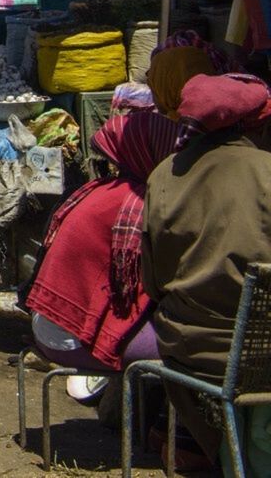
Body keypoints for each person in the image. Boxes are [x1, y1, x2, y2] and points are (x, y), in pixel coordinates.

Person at [142, 72, 271, 466]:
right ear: (251, 123)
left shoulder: (164, 175)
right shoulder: (267, 169)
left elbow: (155, 282)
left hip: (196, 350)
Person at [24, 111, 186, 373]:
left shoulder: (99, 189)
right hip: (70, 339)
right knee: (190, 350)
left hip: (50, 325)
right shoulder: (137, 203)